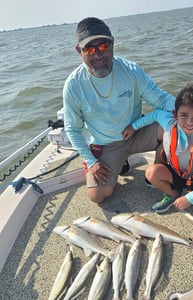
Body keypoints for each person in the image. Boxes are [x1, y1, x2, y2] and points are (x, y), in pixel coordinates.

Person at [63, 17, 175, 204]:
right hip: (107, 144)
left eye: (103, 46)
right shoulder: (73, 86)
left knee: (174, 126)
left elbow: (161, 99)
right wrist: (92, 162)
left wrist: (191, 114)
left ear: (113, 43)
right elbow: (72, 130)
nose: (98, 54)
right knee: (98, 196)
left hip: (136, 131)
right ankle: (119, 162)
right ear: (78, 51)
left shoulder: (132, 70)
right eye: (90, 49)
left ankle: (154, 174)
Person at [123, 82, 193, 215]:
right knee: (151, 172)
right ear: (175, 115)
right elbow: (155, 114)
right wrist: (133, 127)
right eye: (184, 115)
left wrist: (190, 198)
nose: (190, 122)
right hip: (177, 175)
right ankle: (172, 194)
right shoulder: (168, 123)